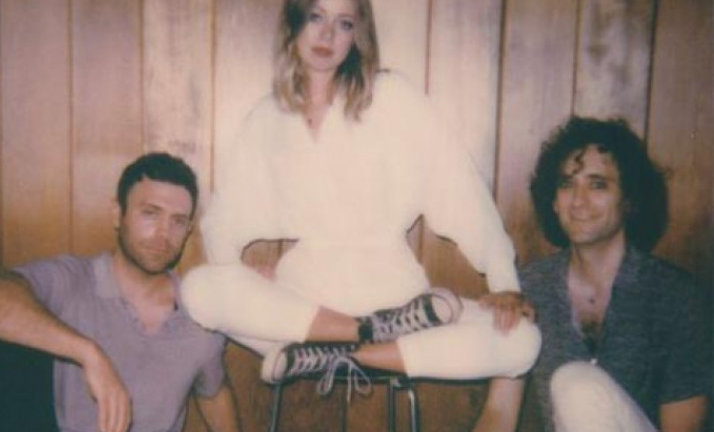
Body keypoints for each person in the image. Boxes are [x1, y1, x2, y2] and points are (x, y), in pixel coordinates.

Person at [181, 1, 539, 426]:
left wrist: (505, 282)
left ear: (358, 36)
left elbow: (460, 188)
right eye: (316, 17)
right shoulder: (268, 118)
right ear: (294, 25)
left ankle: (332, 354)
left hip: (398, 304)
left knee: (522, 340)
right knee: (198, 290)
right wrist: (236, 275)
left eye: (344, 23)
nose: (327, 35)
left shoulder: (393, 98)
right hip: (305, 301)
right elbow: (224, 219)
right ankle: (359, 337)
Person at [0, 153, 240, 432]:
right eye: (150, 214)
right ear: (118, 214)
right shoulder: (73, 281)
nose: (163, 234)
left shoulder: (198, 312)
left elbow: (214, 393)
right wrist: (88, 353)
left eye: (177, 221)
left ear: (189, 230)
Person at [499, 116, 711, 431]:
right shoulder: (529, 288)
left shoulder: (676, 297)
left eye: (597, 184)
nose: (578, 200)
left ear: (629, 200)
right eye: (566, 184)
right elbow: (499, 416)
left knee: (576, 384)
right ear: (553, 202)